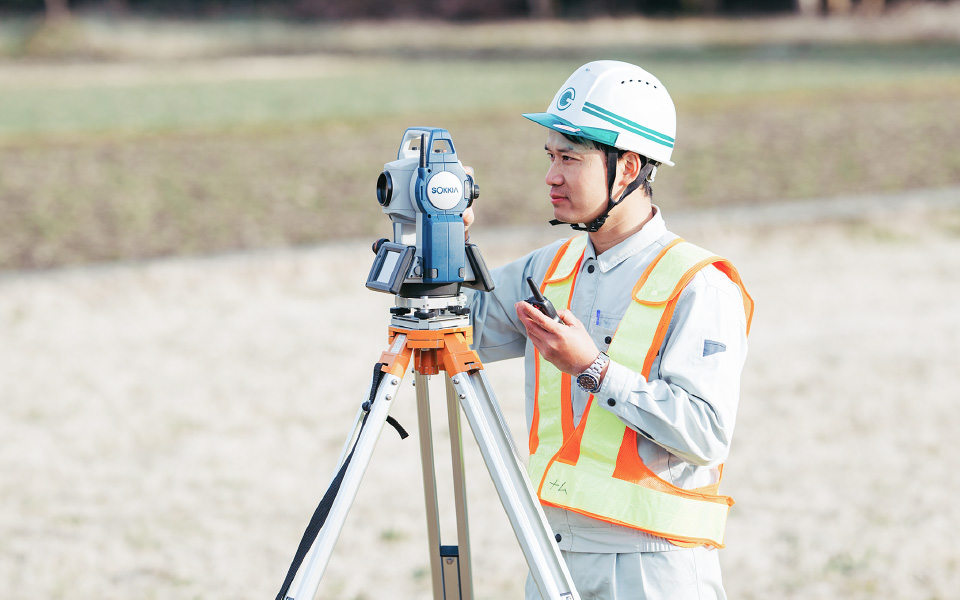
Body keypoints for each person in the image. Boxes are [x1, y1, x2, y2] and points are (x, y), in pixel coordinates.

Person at [462, 60, 754, 600]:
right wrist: (440, 244)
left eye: (570, 158)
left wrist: (592, 368)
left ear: (627, 169)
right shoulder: (548, 269)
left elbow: (705, 433)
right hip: (555, 556)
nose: (551, 175)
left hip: (654, 567)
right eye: (550, 156)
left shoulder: (699, 285)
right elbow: (458, 330)